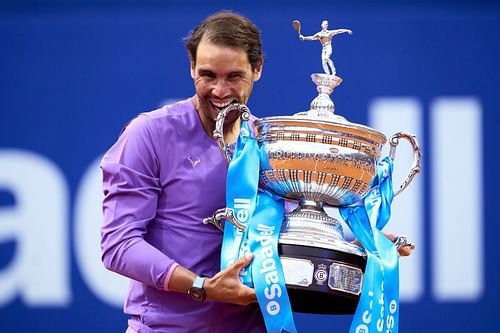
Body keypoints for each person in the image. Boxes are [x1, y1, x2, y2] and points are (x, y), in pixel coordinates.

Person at [100, 11, 266, 333]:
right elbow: (118, 244)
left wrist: (357, 246)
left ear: (256, 70)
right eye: (207, 75)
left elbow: (287, 228)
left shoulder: (266, 142)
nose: (220, 91)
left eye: (234, 76)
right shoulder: (149, 133)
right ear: (191, 67)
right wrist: (201, 286)